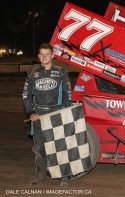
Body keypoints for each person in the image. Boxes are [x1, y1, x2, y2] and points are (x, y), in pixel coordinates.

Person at [22, 43, 72, 186]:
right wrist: (30, 112)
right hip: (38, 116)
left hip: (56, 113)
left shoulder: (61, 72)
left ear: (52, 56)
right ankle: (40, 174)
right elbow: (26, 94)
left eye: (47, 54)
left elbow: (68, 94)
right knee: (39, 147)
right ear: (38, 56)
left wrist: (65, 111)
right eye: (41, 54)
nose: (44, 57)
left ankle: (64, 175)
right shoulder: (33, 73)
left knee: (59, 145)